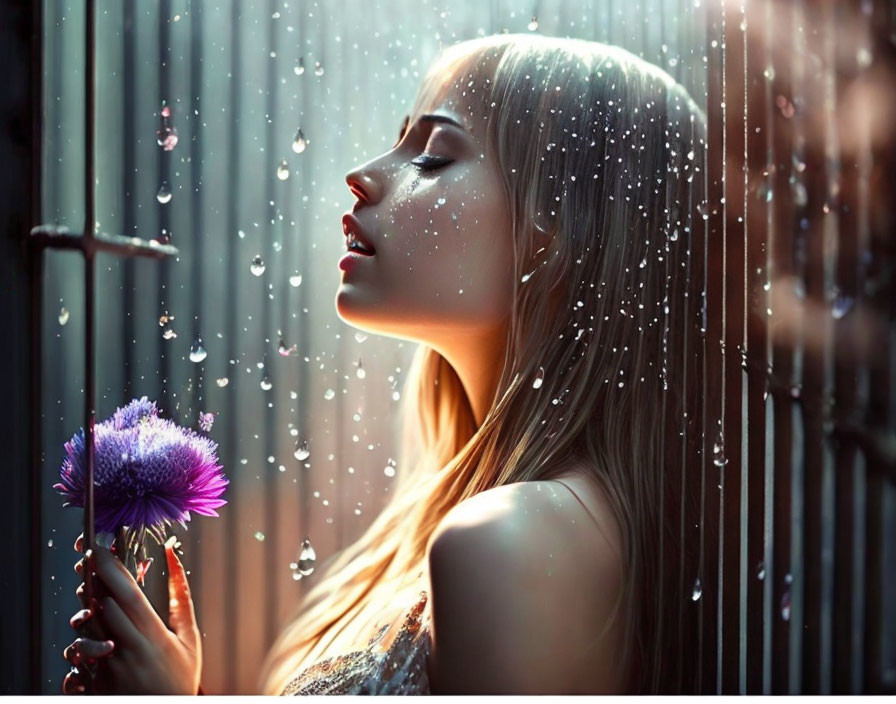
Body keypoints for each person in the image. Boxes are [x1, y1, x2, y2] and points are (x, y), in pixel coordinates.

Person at [63, 33, 707, 694]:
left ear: (553, 238)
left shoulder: (509, 542)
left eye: (431, 156)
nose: (363, 175)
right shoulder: (510, 522)